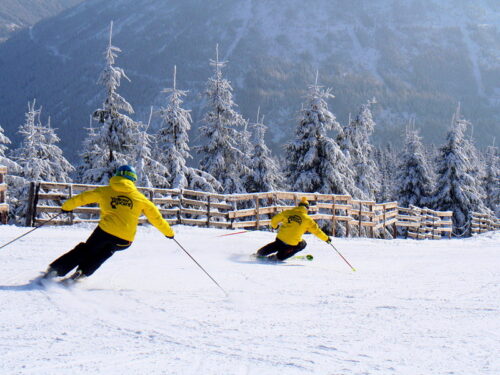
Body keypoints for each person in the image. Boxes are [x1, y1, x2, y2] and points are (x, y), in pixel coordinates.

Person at [42, 165, 175, 281]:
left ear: (116, 176)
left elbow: (83, 198)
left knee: (87, 249)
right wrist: (169, 233)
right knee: (105, 252)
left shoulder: (105, 191)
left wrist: (67, 207)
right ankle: (82, 272)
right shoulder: (141, 198)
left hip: (104, 232)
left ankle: (57, 269)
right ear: (133, 179)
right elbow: (156, 218)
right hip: (125, 239)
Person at [255, 197, 331, 261]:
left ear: (298, 206)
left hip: (280, 238)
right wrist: (326, 239)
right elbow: (317, 231)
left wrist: (275, 227)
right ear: (307, 208)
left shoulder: (288, 212)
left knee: (278, 244)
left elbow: (274, 220)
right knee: (302, 244)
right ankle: (279, 256)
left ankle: (260, 253)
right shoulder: (308, 220)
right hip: (292, 242)